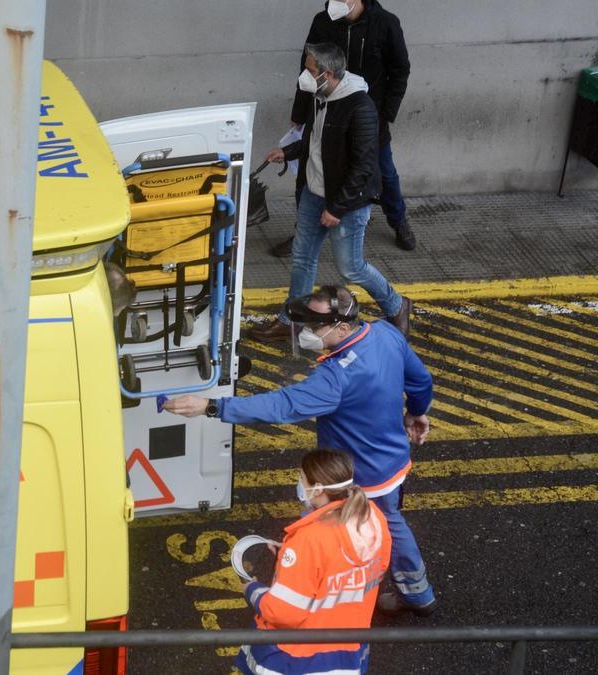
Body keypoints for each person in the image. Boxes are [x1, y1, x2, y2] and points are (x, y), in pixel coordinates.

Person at [165, 285, 437, 617]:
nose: (307, 332)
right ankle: (417, 592)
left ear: (341, 326)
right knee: (392, 524)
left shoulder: (335, 379)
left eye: (313, 326)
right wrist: (417, 411)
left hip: (355, 476)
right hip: (392, 461)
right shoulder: (384, 333)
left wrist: (212, 407)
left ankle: (313, 589)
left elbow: (282, 406)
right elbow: (420, 379)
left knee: (322, 531)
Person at [250, 42, 411, 341]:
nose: (305, 76)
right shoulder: (322, 97)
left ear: (327, 73)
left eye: (310, 71)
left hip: (346, 202)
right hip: (314, 192)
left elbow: (363, 167)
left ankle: (397, 305)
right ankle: (292, 321)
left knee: (351, 268)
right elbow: (315, 141)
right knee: (302, 259)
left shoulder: (360, 107)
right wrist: (288, 152)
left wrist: (337, 208)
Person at [270, 0, 414, 258]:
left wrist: (384, 115)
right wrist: (300, 114)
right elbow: (306, 69)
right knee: (308, 172)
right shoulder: (323, 22)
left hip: (367, 116)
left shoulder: (385, 24)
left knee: (385, 172)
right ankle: (303, 231)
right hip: (325, 111)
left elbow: (400, 71)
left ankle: (398, 219)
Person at [234, 449, 391, 675]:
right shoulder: (373, 517)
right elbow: (372, 568)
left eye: (302, 478)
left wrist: (252, 589)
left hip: (296, 659)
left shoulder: (309, 540)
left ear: (317, 489)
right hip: (349, 651)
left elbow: (283, 613)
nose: (299, 483)